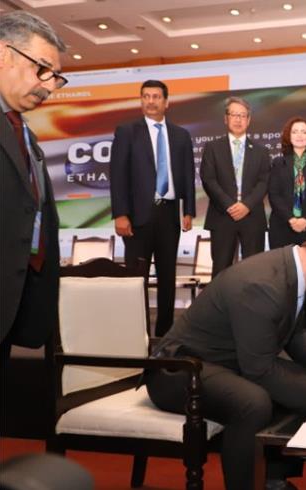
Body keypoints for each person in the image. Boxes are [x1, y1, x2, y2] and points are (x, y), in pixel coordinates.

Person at [146, 227, 306, 490]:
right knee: (253, 402)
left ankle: (273, 480)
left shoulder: (289, 271)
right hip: (178, 370)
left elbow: (295, 335)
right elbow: (260, 372)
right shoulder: (262, 284)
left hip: (222, 362)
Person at [0, 11, 66, 364]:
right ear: (3, 54)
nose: (48, 85)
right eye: (42, 69)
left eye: (55, 77)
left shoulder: (24, 134)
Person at [109, 80, 196, 336]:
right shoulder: (127, 131)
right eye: (146, 96)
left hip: (169, 213)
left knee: (168, 278)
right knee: (137, 279)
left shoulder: (181, 135)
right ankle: (136, 333)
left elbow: (188, 175)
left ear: (166, 102)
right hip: (136, 217)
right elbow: (118, 175)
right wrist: (120, 213)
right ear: (141, 100)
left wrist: (188, 210)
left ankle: (164, 334)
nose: (150, 101)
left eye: (156, 96)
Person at [268, 116, 306, 337]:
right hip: (283, 228)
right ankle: (284, 329)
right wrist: (291, 219)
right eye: (295, 132)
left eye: (304, 132)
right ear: (288, 136)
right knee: (285, 280)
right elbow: (273, 195)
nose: (300, 136)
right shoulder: (277, 163)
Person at [200, 96, 270, 277]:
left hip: (252, 217)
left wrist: (246, 205)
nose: (238, 120)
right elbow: (208, 179)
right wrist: (229, 205)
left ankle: (251, 306)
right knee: (221, 271)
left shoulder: (262, 151)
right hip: (222, 216)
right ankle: (221, 306)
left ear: (249, 120)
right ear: (226, 118)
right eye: (234, 115)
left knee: (253, 271)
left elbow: (264, 181)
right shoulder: (212, 147)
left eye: (243, 116)